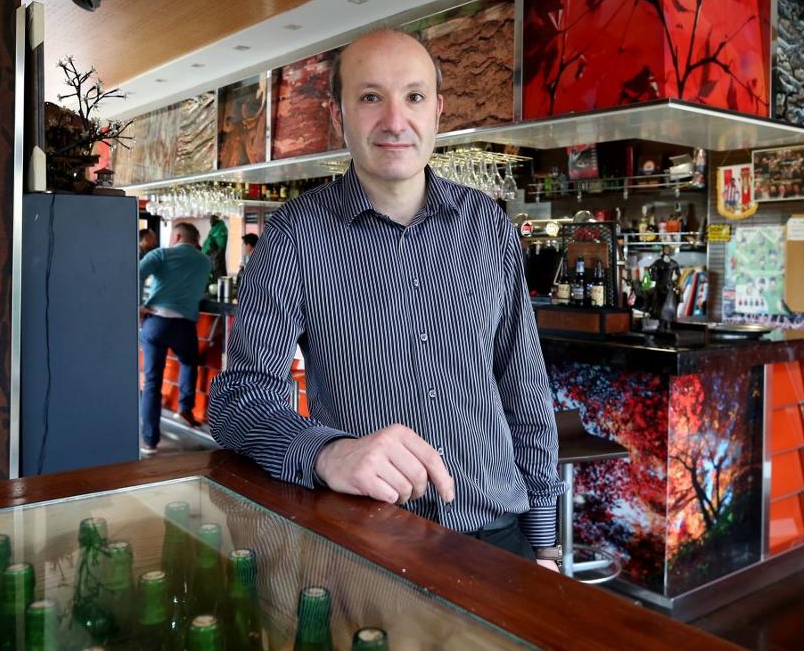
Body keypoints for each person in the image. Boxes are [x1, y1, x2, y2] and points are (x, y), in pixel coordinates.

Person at [209, 28, 563, 570]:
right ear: (338, 113)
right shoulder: (294, 235)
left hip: (497, 537)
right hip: (371, 539)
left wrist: (543, 537)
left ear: (437, 112)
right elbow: (237, 402)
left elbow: (523, 383)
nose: (396, 122)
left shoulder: (488, 224)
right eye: (371, 97)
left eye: (414, 97)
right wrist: (327, 451)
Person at [138, 222, 212, 455]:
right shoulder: (205, 261)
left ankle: (150, 441)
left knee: (152, 382)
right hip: (184, 326)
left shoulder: (161, 254)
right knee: (189, 361)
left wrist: (138, 305)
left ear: (177, 236)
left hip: (156, 323)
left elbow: (135, 274)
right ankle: (185, 407)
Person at [202, 214, 228, 279]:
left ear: (216, 220)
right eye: (210, 221)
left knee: (217, 272)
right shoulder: (216, 229)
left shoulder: (220, 229)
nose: (210, 222)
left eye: (211, 220)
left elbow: (215, 242)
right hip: (214, 254)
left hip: (217, 254)